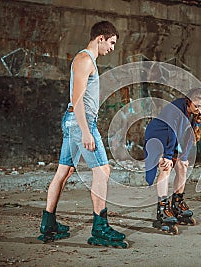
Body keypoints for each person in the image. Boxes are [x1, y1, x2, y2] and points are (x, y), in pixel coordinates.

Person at [38, 21, 128, 248]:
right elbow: (76, 100)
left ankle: (48, 225)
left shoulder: (87, 60)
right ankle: (100, 229)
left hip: (75, 123)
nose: (112, 48)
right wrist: (86, 132)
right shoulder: (85, 59)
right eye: (112, 42)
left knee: (64, 171)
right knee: (103, 170)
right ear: (100, 38)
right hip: (81, 123)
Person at [144, 88, 201, 234]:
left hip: (174, 138)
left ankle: (177, 203)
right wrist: (167, 156)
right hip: (157, 137)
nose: (199, 109)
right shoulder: (176, 109)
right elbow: (171, 132)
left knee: (183, 166)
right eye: (196, 106)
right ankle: (162, 209)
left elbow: (189, 135)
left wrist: (184, 156)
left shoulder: (198, 112)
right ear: (188, 101)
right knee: (165, 167)